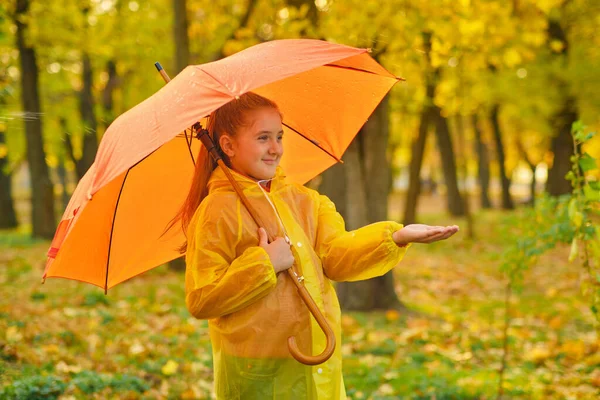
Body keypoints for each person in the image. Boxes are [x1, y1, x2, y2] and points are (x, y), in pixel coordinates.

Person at [178, 92, 458, 399]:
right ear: (229, 145)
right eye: (263, 138)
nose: (275, 149)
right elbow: (202, 298)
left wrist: (394, 237)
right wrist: (264, 264)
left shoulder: (305, 200)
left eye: (279, 136)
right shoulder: (216, 211)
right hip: (256, 373)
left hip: (316, 362)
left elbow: (336, 256)